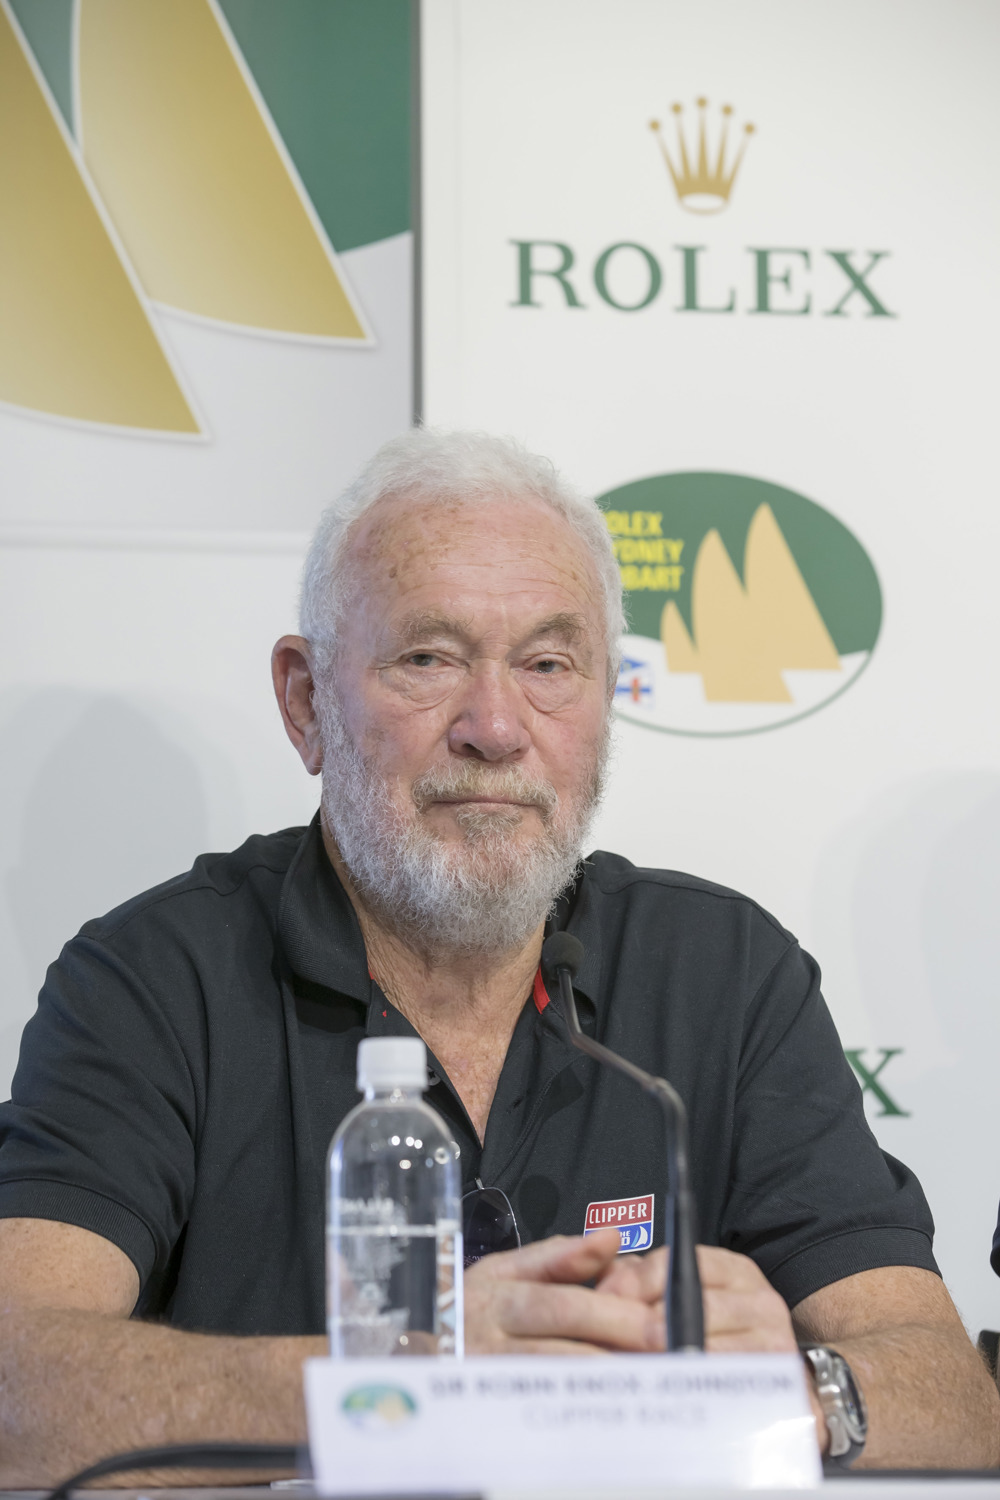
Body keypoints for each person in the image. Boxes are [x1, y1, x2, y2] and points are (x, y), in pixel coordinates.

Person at [0, 430, 995, 1482]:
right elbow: (18, 1387)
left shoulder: (727, 972)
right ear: (306, 703)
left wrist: (786, 1395)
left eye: (547, 665)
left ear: (604, 703)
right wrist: (428, 1389)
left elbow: (955, 1396)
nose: (494, 726)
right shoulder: (154, 977)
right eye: (428, 658)